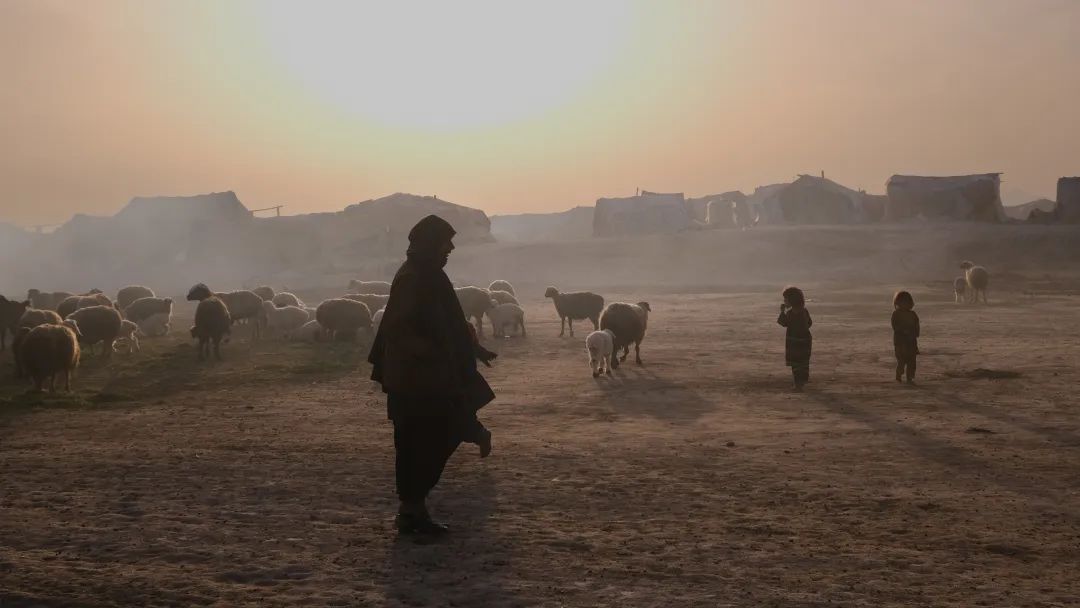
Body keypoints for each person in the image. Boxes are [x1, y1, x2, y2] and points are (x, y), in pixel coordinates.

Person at [368, 215, 497, 536]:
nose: (450, 247)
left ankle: (414, 509)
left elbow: (447, 323)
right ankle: (412, 513)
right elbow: (399, 329)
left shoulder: (429, 275)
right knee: (418, 442)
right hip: (416, 380)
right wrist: (433, 355)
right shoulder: (414, 277)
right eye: (445, 242)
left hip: (431, 376)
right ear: (430, 243)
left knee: (432, 434)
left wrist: (472, 350)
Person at [777, 286, 812, 391]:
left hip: (794, 341)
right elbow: (809, 323)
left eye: (785, 299)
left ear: (791, 300)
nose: (784, 301)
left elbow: (783, 323)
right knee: (803, 363)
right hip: (805, 341)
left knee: (796, 364)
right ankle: (801, 383)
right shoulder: (804, 311)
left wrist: (782, 311)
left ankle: (798, 385)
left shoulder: (791, 313)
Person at [891, 290, 920, 384]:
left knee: (912, 361)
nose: (905, 304)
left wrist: (915, 334)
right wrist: (903, 331)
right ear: (898, 303)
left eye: (907, 302)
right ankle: (899, 374)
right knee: (902, 360)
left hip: (911, 341)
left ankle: (910, 377)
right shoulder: (896, 314)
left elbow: (916, 325)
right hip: (900, 342)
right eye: (903, 302)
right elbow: (895, 326)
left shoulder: (913, 314)